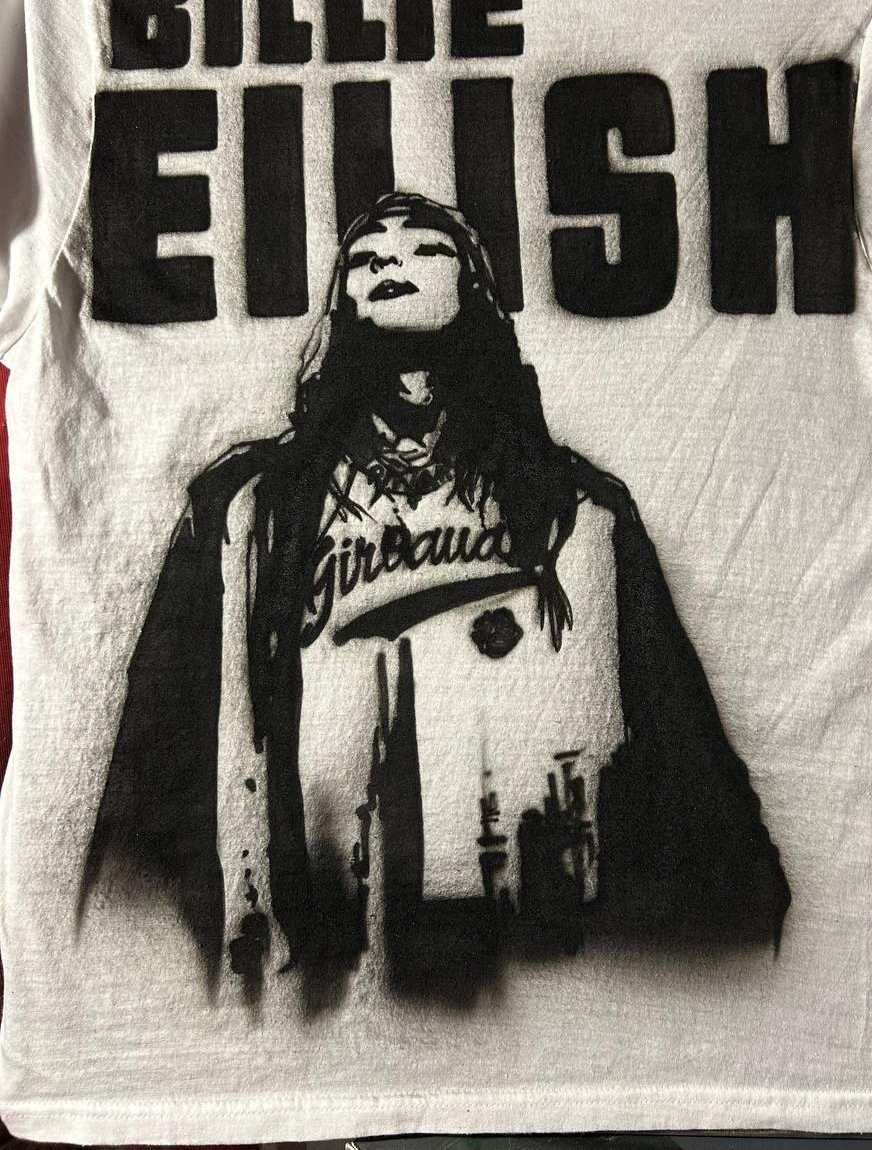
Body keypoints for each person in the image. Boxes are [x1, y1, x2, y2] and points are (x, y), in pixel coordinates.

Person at [78, 191, 790, 1011]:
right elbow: (156, 752)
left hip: (536, 969)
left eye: (425, 249)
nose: (389, 258)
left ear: (476, 290)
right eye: (366, 256)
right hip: (310, 968)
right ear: (339, 302)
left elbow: (682, 761)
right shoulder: (249, 509)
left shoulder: (579, 514)